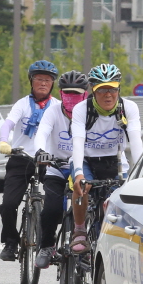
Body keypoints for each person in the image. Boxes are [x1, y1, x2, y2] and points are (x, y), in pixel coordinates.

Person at [69, 63, 143, 254]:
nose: (108, 94)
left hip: (115, 161)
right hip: (86, 159)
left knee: (122, 199)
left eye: (112, 89)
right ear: (93, 91)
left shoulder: (128, 108)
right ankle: (79, 230)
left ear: (118, 88)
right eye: (102, 90)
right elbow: (77, 142)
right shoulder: (81, 109)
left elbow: (135, 143)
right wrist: (78, 174)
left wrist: (142, 175)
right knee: (81, 189)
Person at [0, 60, 59, 261]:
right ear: (31, 81)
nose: (43, 83)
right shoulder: (22, 104)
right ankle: (11, 242)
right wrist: (4, 140)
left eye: (47, 80)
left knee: (56, 205)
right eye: (39, 79)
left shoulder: (57, 106)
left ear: (52, 84)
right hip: (21, 158)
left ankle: (49, 243)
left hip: (48, 160)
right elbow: (8, 124)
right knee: (8, 204)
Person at [31, 70, 89, 270]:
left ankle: (85, 246)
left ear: (85, 95)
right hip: (56, 167)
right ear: (61, 93)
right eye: (67, 93)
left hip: (80, 168)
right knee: (51, 210)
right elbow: (43, 132)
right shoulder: (53, 110)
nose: (71, 99)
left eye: (76, 94)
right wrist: (41, 151)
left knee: (87, 206)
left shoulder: (90, 112)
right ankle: (47, 247)